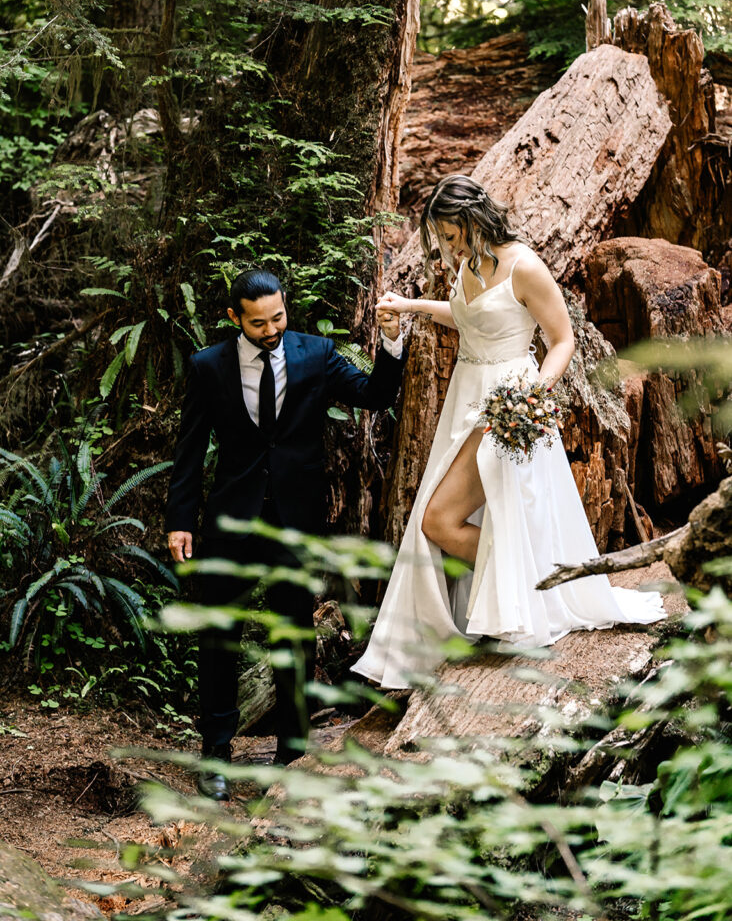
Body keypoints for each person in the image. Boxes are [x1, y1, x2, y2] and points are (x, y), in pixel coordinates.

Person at [351, 174, 666, 689]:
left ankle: (528, 593)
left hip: (507, 403)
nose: (448, 249)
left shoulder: (526, 266)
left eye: (452, 236)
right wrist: (409, 307)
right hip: (465, 397)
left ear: (475, 219)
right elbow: (465, 316)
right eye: (444, 240)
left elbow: (561, 340)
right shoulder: (470, 264)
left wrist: (532, 394)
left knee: (437, 518)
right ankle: (530, 589)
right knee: (455, 517)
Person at [165, 268, 405, 797]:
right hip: (232, 521)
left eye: (278, 317)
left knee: (293, 633)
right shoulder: (208, 366)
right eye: (258, 323)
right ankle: (217, 756)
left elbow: (375, 393)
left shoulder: (315, 353)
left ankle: (292, 752)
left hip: (296, 521)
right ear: (234, 319)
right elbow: (188, 451)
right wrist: (180, 519)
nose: (271, 329)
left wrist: (390, 341)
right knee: (219, 636)